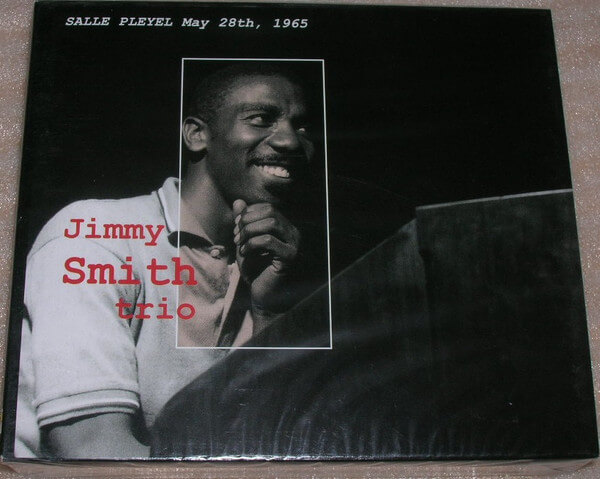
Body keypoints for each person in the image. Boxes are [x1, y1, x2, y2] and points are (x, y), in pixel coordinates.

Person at [14, 62, 328, 459]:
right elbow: (92, 448)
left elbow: (261, 441)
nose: (290, 140)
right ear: (197, 135)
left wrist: (269, 312)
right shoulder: (94, 234)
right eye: (261, 119)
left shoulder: (276, 266)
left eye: (302, 126)